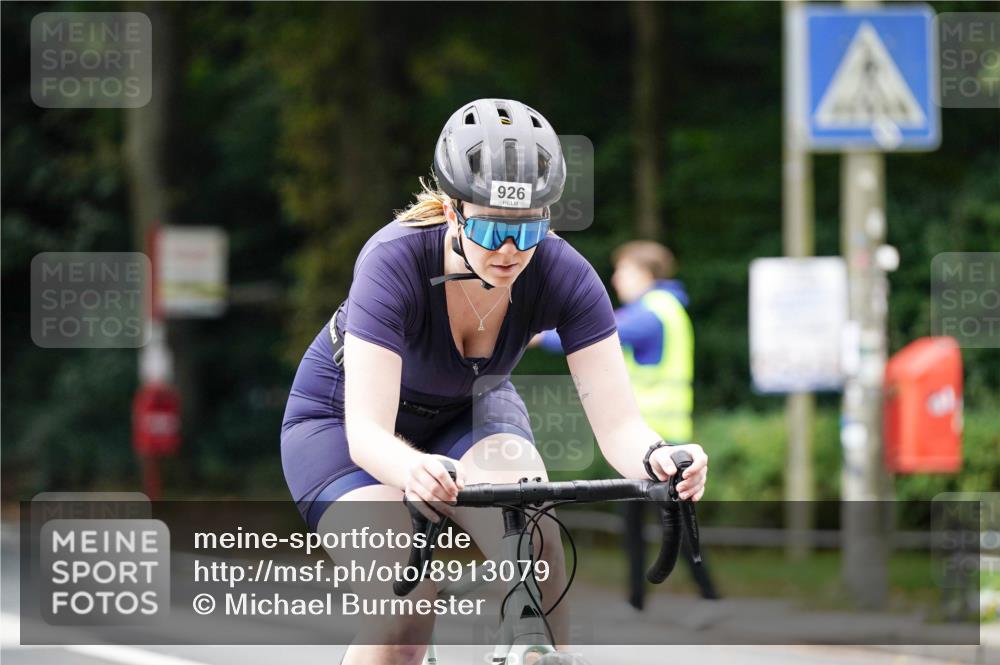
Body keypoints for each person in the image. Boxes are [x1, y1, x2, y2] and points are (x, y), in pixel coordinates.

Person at [281, 98, 709, 665]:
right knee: (404, 608)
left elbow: (620, 426)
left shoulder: (564, 274)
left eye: (528, 229)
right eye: (488, 227)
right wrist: (412, 471)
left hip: (469, 412)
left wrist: (659, 456)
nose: (509, 252)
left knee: (534, 539)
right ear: (452, 211)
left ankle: (538, 654)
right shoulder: (393, 260)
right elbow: (368, 434)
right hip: (344, 426)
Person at [533, 240, 719, 607]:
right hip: (649, 439)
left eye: (625, 270)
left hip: (652, 440)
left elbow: (597, 335)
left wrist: (540, 334)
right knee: (641, 524)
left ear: (646, 274)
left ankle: (708, 598)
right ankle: (639, 600)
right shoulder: (664, 308)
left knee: (672, 527)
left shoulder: (652, 313)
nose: (616, 278)